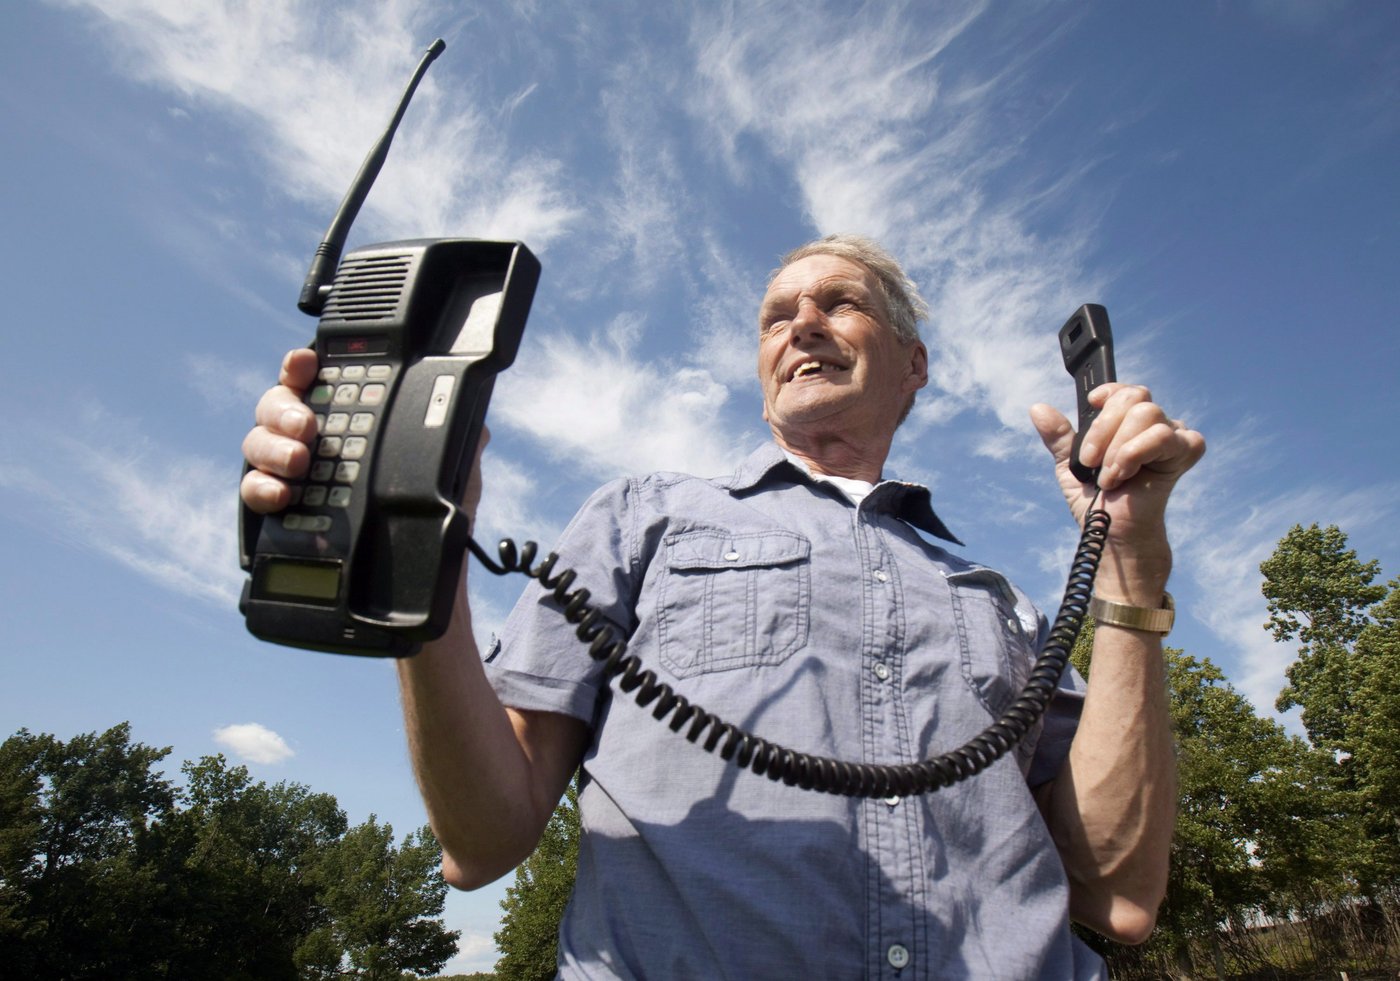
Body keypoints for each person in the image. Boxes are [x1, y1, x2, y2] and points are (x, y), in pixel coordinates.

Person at [241, 235, 1205, 979]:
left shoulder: (1004, 601)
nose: (802, 324)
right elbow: (483, 839)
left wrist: (1128, 565)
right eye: (778, 315)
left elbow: (1118, 893)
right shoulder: (640, 518)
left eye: (840, 303)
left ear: (914, 365)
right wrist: (425, 544)